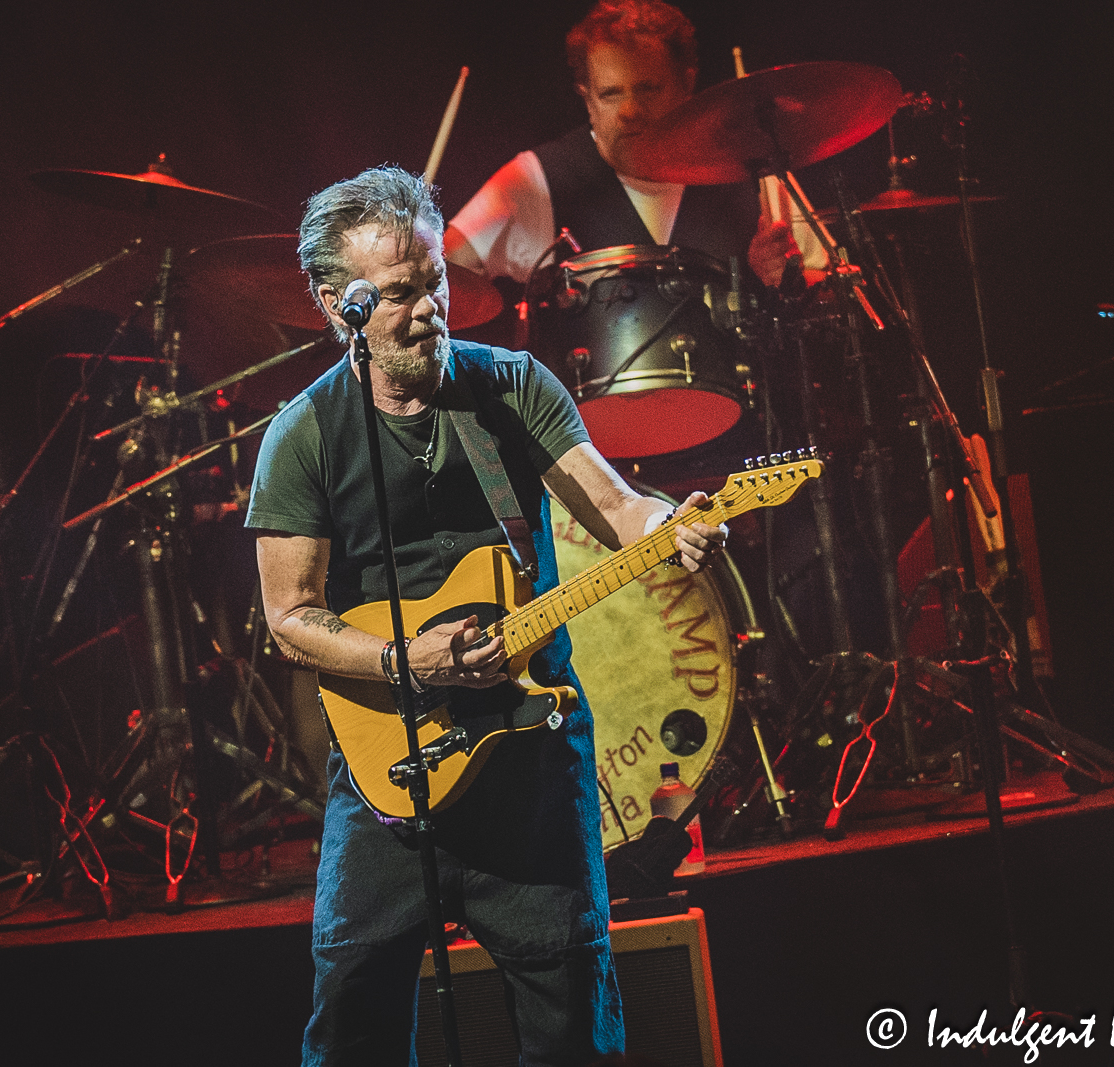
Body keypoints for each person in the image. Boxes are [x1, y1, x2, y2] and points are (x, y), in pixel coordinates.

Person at [246, 166, 728, 1066]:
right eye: (396, 294)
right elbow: (290, 616)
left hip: (530, 763)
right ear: (331, 301)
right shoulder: (304, 434)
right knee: (354, 1023)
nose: (427, 308)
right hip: (393, 774)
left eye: (432, 280)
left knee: (570, 1025)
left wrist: (672, 524)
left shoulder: (509, 386)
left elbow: (619, 510)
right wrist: (408, 661)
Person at [445, 0, 794, 288]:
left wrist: (785, 277)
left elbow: (830, 285)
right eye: (611, 95)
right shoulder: (539, 179)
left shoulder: (751, 170)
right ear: (588, 100)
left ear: (687, 84)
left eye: (647, 89)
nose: (629, 111)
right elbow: (444, 274)